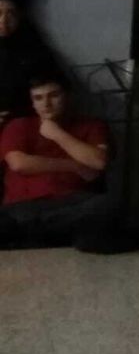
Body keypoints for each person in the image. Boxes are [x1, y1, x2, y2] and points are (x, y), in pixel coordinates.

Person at [0, 71, 113, 248]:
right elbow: (19, 164)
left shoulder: (91, 125)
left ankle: (34, 238)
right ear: (33, 103)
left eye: (54, 95)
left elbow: (98, 162)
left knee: (107, 205)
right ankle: (50, 236)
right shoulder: (19, 125)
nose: (46, 104)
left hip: (70, 204)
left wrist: (57, 134)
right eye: (38, 98)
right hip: (21, 207)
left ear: (67, 96)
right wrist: (75, 166)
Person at [0, 0, 58, 124]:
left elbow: (54, 90)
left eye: (11, 14)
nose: (3, 20)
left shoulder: (35, 52)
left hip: (24, 123)